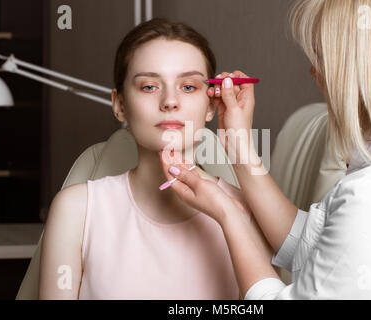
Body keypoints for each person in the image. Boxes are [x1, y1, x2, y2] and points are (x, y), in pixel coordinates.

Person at [161, 0, 371, 299]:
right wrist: (239, 145)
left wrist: (229, 215)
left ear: (357, 74)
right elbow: (311, 246)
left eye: (320, 58)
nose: (312, 72)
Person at [39, 18, 274, 299]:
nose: (170, 101)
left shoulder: (250, 214)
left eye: (188, 87)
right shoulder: (76, 210)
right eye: (149, 86)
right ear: (120, 105)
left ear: (211, 105)